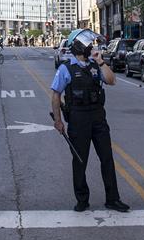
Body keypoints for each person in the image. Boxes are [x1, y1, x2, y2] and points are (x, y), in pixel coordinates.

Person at [50, 29, 130, 213]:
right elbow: (56, 95)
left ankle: (113, 199)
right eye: (88, 43)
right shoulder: (66, 68)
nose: (91, 46)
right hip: (78, 118)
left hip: (98, 117)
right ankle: (82, 199)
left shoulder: (95, 65)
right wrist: (58, 120)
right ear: (78, 46)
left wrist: (100, 61)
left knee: (107, 159)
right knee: (80, 161)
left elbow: (111, 81)